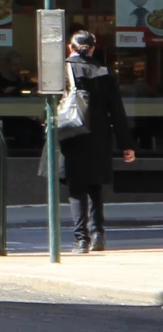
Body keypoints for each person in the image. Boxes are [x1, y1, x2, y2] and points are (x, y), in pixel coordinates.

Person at [60, 30, 136, 252]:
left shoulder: (62, 70)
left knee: (76, 187)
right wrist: (126, 145)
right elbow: (117, 112)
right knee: (94, 187)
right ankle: (98, 235)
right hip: (99, 136)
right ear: (93, 48)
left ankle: (81, 239)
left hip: (70, 134)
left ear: (69, 47)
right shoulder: (104, 72)